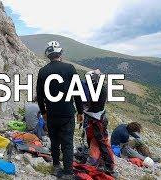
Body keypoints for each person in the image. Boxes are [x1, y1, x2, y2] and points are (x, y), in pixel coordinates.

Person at [36, 41, 84, 178]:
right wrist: (80, 112)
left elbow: (40, 96)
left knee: (54, 141)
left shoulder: (43, 71)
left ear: (48, 55)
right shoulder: (70, 68)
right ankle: (68, 172)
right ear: (60, 53)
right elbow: (77, 92)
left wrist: (44, 112)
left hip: (51, 114)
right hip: (67, 113)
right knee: (67, 143)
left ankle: (56, 166)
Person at [82, 70, 116, 176]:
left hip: (96, 119)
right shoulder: (98, 88)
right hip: (93, 118)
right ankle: (97, 161)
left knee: (102, 142)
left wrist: (84, 107)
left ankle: (109, 165)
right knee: (93, 139)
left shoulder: (99, 89)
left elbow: (94, 106)